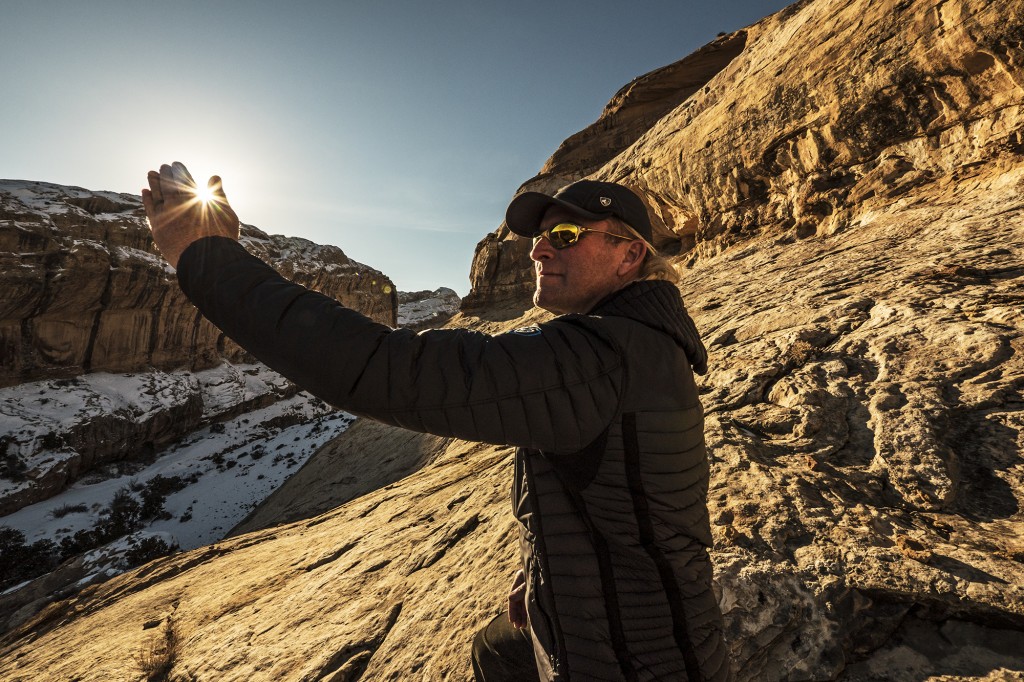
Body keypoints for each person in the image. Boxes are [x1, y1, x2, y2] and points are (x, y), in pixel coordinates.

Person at [143, 162, 732, 681]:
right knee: (497, 652)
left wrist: (210, 260)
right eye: (539, 238)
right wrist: (549, 575)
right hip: (619, 624)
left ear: (630, 255)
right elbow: (626, 494)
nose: (538, 249)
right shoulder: (634, 344)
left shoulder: (598, 357)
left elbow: (391, 371)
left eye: (566, 234)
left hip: (632, 659)